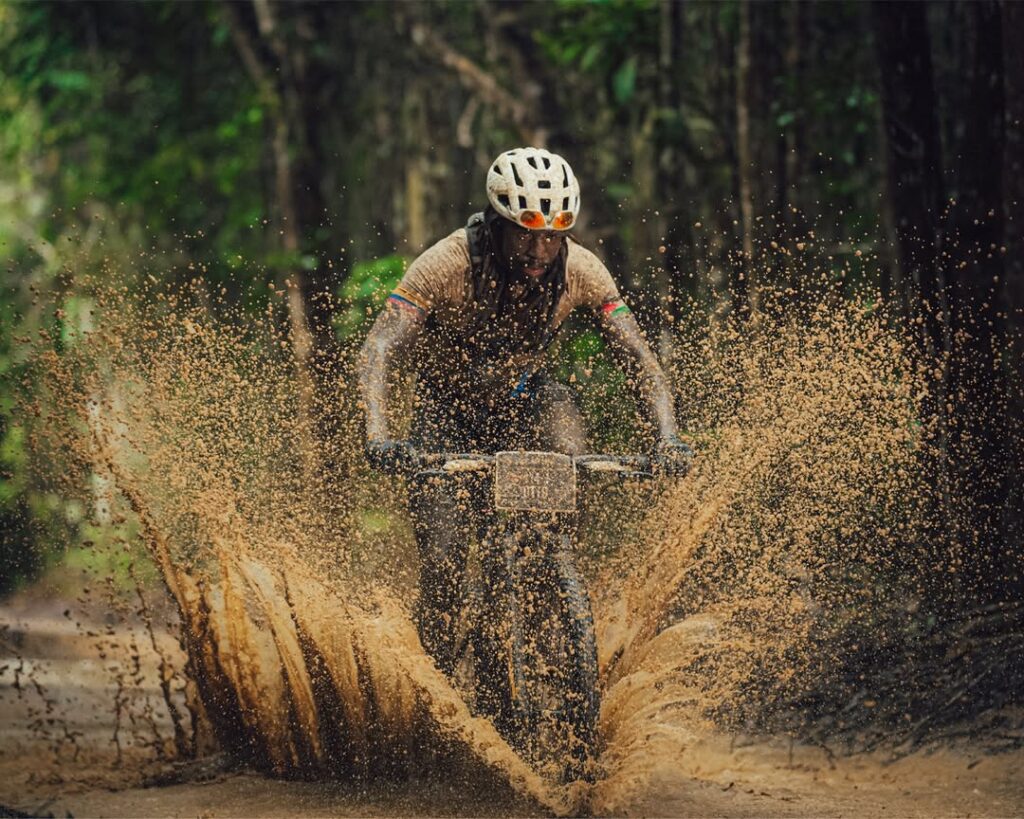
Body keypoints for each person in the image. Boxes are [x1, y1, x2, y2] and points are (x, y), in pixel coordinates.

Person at [358, 146, 692, 677]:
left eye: (553, 235)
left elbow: (639, 359)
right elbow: (380, 347)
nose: (540, 250)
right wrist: (378, 434)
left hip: (528, 403)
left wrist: (667, 438)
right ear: (497, 223)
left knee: (565, 460)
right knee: (445, 560)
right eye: (526, 233)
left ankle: (545, 602)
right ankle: (434, 685)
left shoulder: (582, 270)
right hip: (446, 414)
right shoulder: (448, 263)